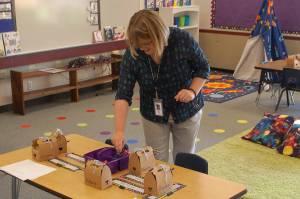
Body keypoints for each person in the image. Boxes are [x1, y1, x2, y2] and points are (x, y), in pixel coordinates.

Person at [112, 9, 210, 162]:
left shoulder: (181, 39)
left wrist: (192, 91)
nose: (143, 49)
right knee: (156, 163)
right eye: (139, 45)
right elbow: (123, 94)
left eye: (147, 44)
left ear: (158, 36)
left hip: (186, 110)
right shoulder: (133, 54)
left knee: (184, 161)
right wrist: (119, 131)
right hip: (153, 114)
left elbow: (203, 67)